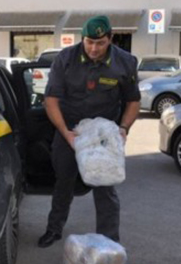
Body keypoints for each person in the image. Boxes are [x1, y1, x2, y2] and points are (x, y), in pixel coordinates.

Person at [37, 15, 141, 248]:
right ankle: (54, 229)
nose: (94, 48)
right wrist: (66, 133)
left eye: (100, 43)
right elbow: (51, 99)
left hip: (103, 133)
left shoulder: (125, 62)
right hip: (70, 128)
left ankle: (109, 240)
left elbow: (133, 101)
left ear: (110, 39)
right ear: (82, 39)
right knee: (63, 181)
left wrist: (123, 128)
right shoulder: (65, 59)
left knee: (104, 185)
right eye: (89, 42)